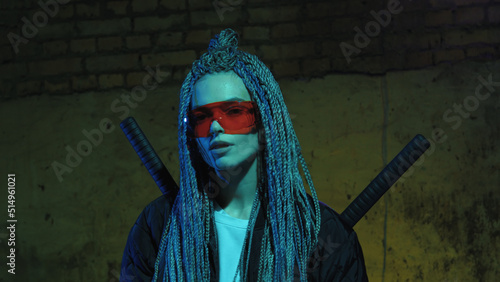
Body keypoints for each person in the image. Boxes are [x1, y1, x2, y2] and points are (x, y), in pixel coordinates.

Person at [121, 28, 368, 281]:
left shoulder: (318, 233)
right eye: (202, 118)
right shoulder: (160, 226)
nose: (216, 127)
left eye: (234, 112)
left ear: (265, 122)